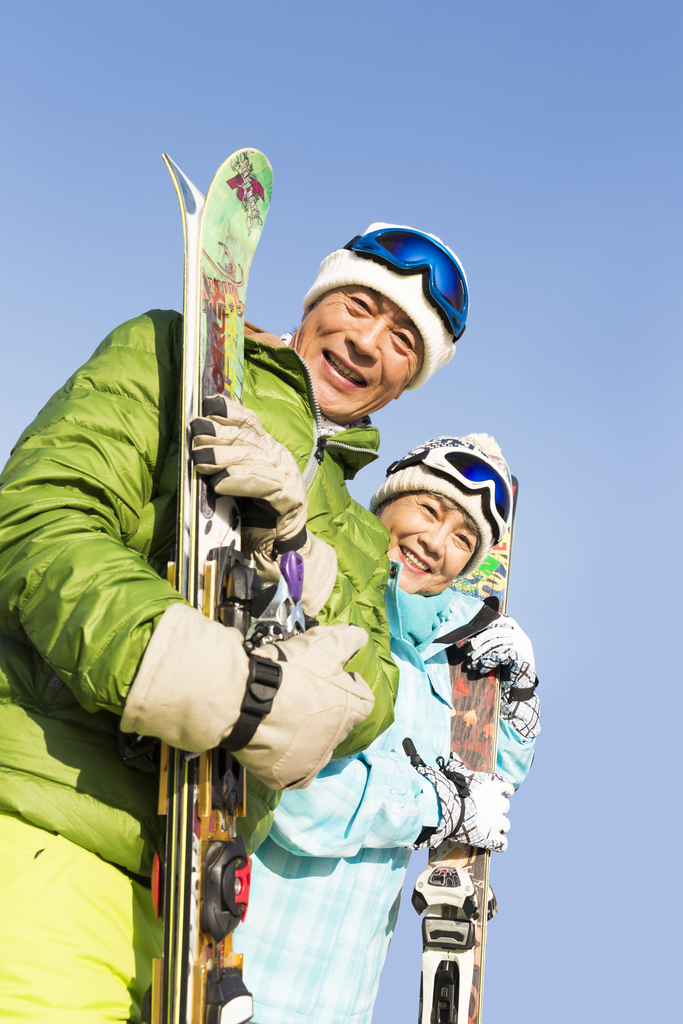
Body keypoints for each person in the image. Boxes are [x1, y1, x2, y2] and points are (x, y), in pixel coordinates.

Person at [0, 222, 470, 1021]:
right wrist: (204, 674)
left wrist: (296, 544)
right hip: (50, 827)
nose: (367, 343)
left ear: (404, 385)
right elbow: (42, 520)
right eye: (359, 305)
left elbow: (372, 695)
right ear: (316, 299)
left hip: (196, 909)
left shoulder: (355, 537)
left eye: (402, 343)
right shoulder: (170, 353)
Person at [233, 433, 541, 1024]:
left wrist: (519, 695)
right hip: (237, 962)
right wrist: (432, 805)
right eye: (430, 509)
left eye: (464, 539)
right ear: (386, 502)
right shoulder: (313, 600)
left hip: (341, 998)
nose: (436, 543)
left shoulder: (436, 663)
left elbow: (487, 792)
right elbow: (296, 800)